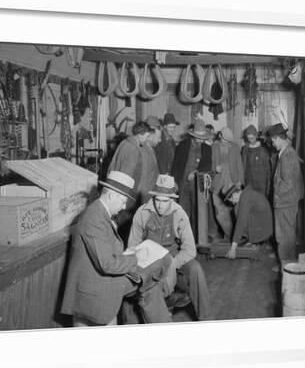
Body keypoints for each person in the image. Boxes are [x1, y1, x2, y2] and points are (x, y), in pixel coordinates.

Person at [61, 171, 172, 326]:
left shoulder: (100, 213)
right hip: (96, 287)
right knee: (152, 275)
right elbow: (107, 265)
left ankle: (161, 325)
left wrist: (129, 255)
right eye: (123, 201)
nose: (124, 206)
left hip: (100, 279)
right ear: (112, 195)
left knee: (149, 283)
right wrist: (137, 257)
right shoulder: (95, 219)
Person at [127, 175, 212, 321]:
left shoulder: (179, 214)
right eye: (158, 200)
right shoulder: (142, 213)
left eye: (165, 201)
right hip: (149, 262)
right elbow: (132, 248)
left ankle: (207, 319)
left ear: (172, 199)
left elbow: (190, 249)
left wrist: (172, 264)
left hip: (173, 258)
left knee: (196, 270)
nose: (160, 205)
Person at [266, 123, 304, 271]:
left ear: (278, 138)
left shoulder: (287, 155)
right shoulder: (286, 152)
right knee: (283, 233)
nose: (272, 144)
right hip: (286, 201)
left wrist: (276, 194)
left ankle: (287, 266)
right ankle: (284, 261)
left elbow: (287, 183)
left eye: (273, 141)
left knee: (285, 234)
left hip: (285, 201)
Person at [107, 120, 154, 239]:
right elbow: (127, 175)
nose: (147, 139)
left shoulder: (124, 143)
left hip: (114, 189)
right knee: (126, 227)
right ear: (140, 134)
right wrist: (130, 198)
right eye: (147, 136)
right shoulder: (134, 149)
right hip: (126, 195)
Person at [171, 116, 212, 239]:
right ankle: (182, 237)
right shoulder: (182, 146)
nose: (200, 140)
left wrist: (196, 172)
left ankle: (194, 238)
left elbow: (207, 166)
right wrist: (175, 182)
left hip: (197, 186)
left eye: (202, 138)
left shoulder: (207, 149)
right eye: (198, 138)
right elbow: (176, 165)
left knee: (197, 212)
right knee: (183, 211)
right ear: (193, 135)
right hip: (183, 183)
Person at [211, 127, 244, 241]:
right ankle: (230, 235)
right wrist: (214, 169)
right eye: (226, 141)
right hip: (218, 184)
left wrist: (240, 181)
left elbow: (239, 165)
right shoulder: (214, 147)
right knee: (219, 212)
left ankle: (234, 237)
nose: (228, 143)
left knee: (234, 211)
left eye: (230, 141)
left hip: (232, 184)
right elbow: (208, 164)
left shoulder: (235, 147)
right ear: (220, 136)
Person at [224, 185, 273, 259]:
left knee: (238, 212)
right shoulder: (246, 193)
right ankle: (252, 238)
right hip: (264, 225)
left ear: (235, 194)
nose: (233, 202)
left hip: (264, 230)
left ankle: (256, 240)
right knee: (236, 209)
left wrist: (233, 248)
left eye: (231, 199)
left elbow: (241, 223)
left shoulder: (245, 198)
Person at [241, 124, 272, 197]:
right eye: (249, 139)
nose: (250, 141)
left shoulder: (263, 150)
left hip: (261, 183)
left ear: (256, 136)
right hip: (249, 182)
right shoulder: (245, 149)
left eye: (252, 138)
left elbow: (267, 169)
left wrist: (268, 185)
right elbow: (243, 166)